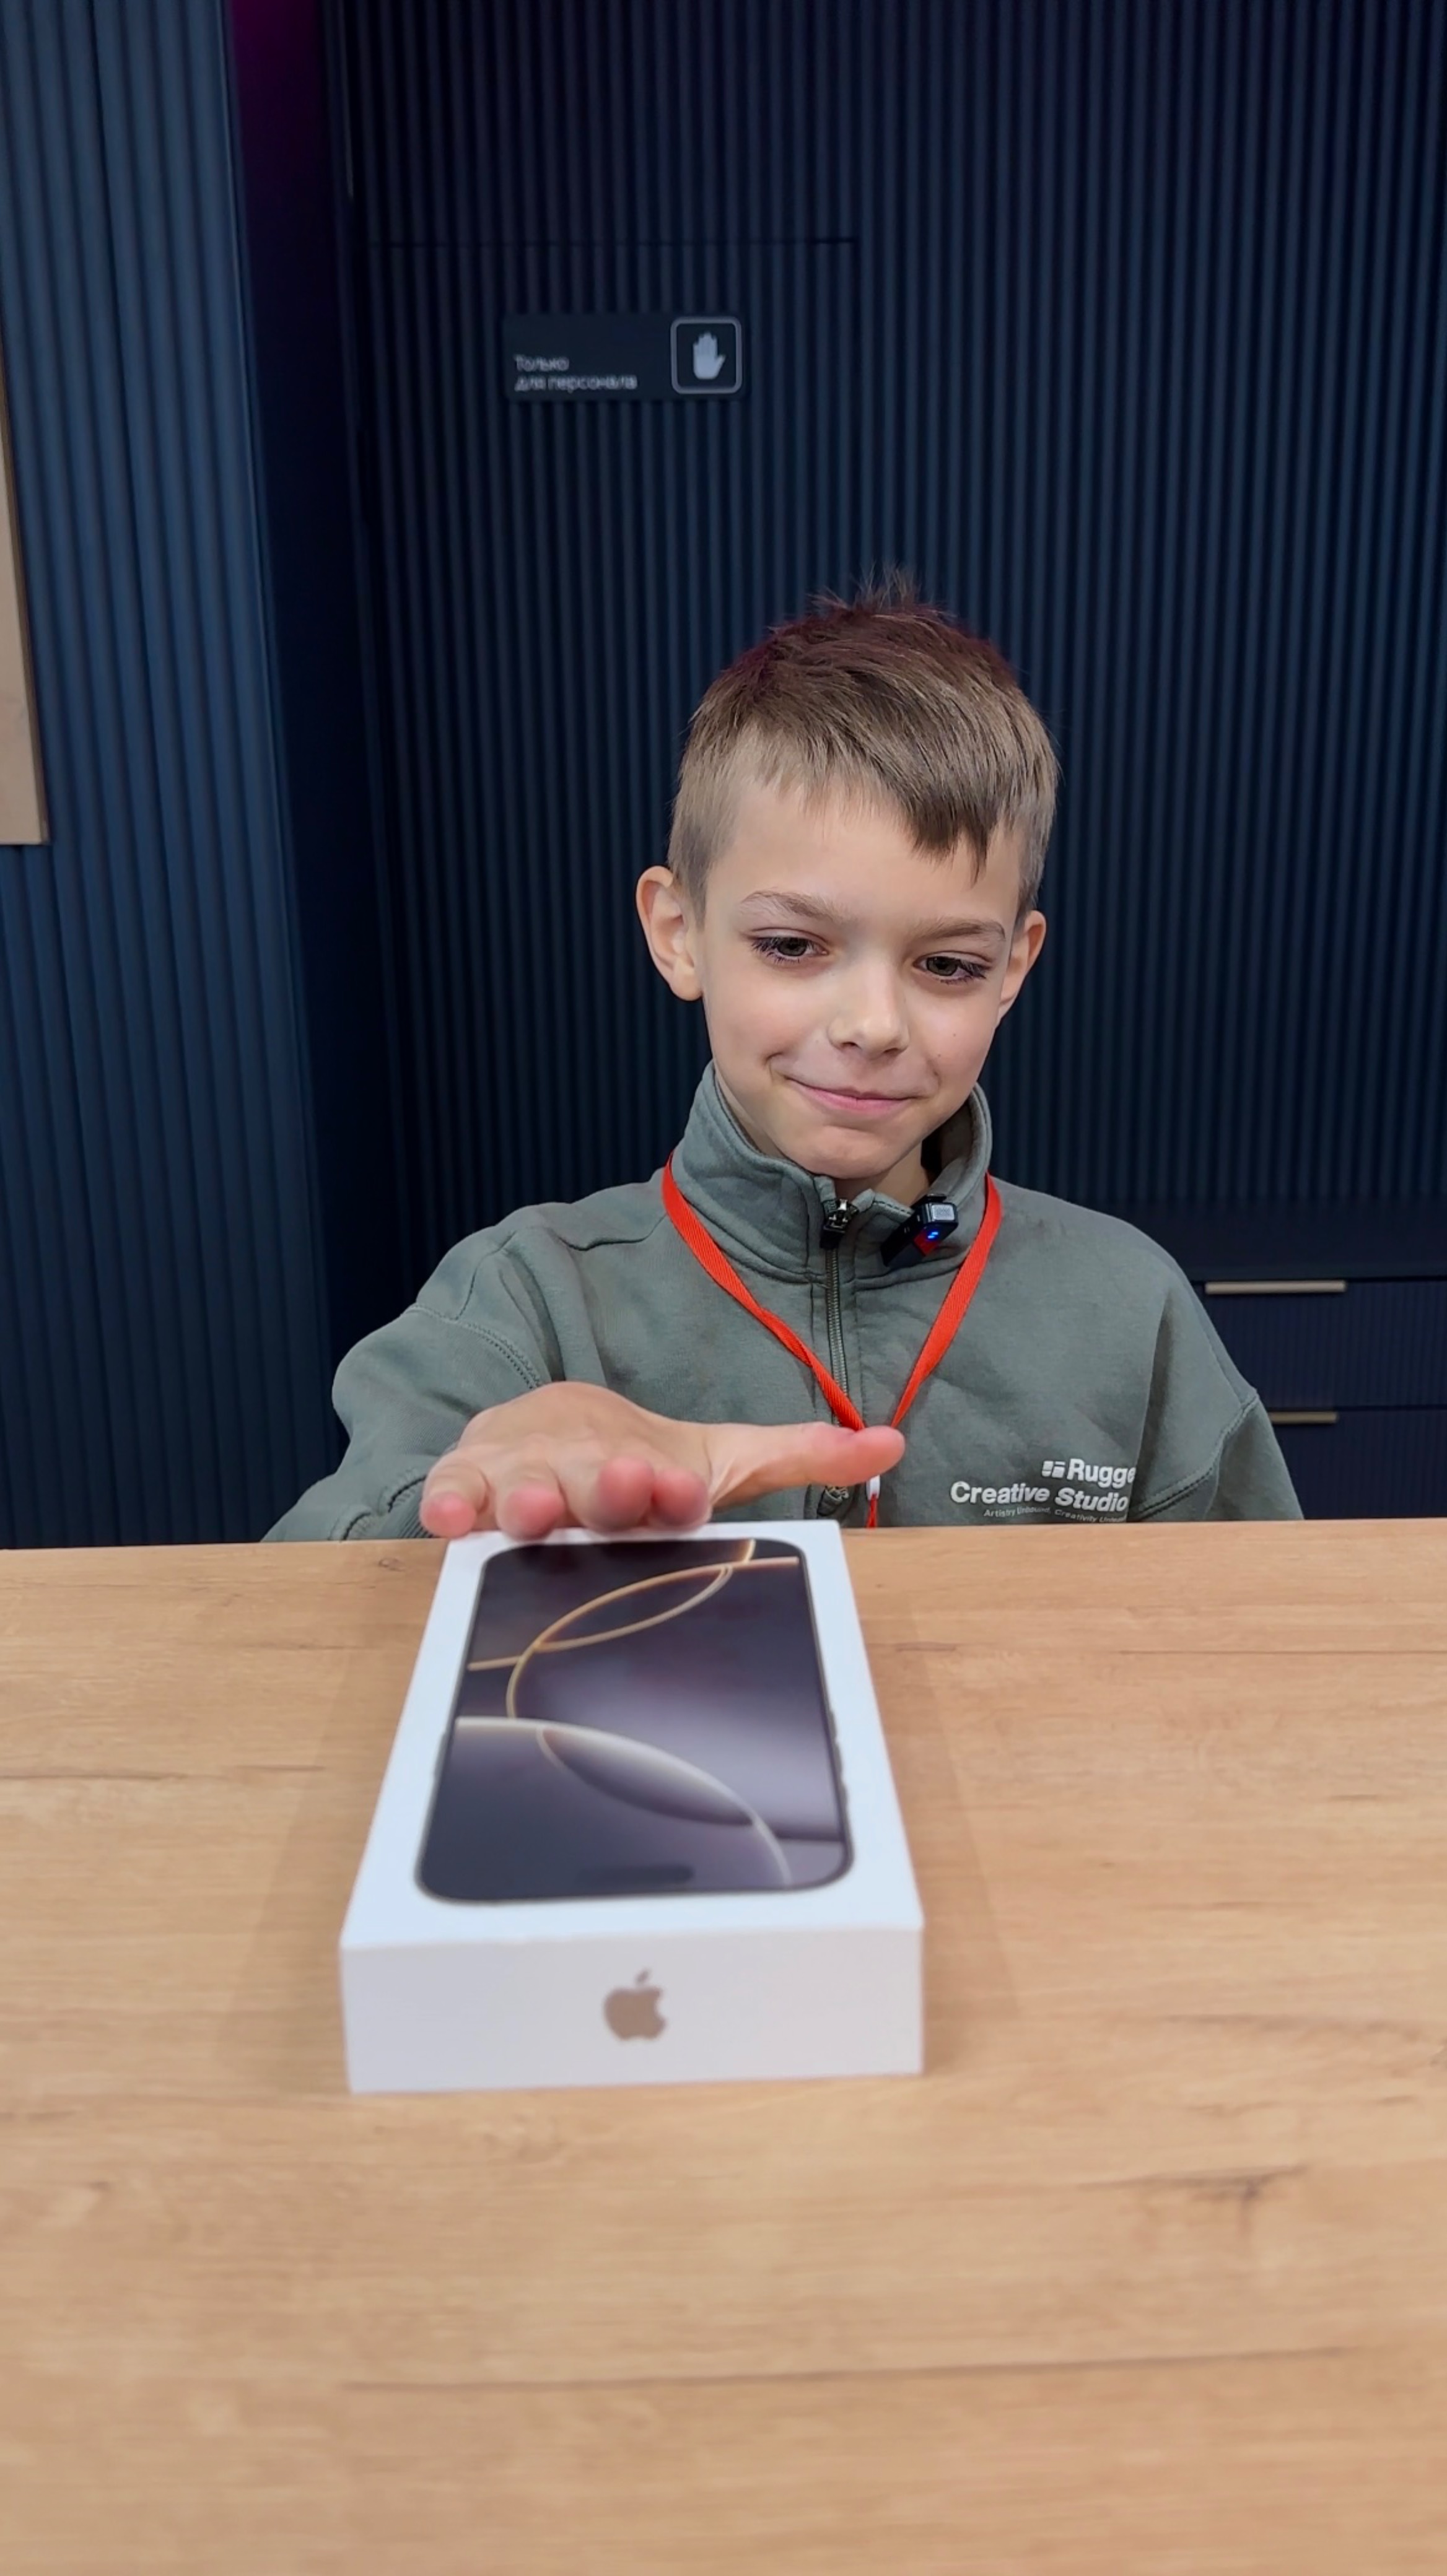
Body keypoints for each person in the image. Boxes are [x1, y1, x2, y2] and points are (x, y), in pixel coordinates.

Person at [270, 585, 1299, 1543]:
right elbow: (311, 1597)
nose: (873, 1025)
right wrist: (472, 1510)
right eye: (793, 946)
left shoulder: (1131, 1310)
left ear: (1013, 968)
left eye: (947, 964)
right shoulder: (525, 1305)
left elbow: (1268, 1632)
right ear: (679, 933)